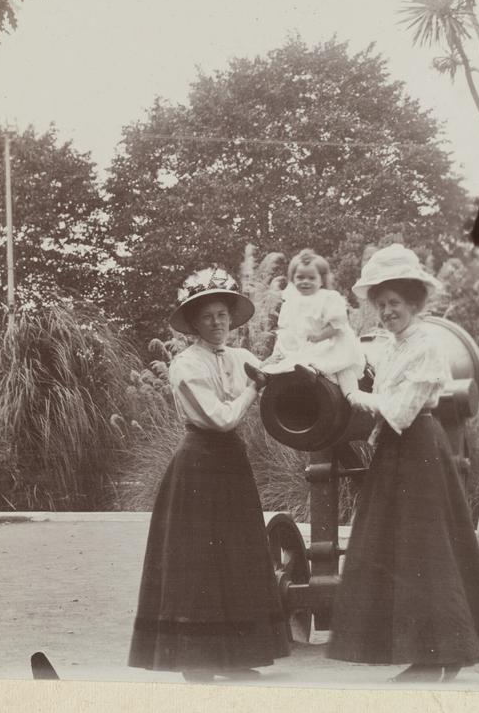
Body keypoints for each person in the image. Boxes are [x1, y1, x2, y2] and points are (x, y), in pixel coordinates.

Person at [326, 244, 479, 683]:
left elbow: (400, 410)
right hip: (395, 452)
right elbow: (373, 382)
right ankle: (424, 655)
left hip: (418, 450)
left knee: (425, 551)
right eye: (381, 305)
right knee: (400, 553)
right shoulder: (393, 346)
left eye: (395, 303)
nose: (387, 312)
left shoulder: (425, 347)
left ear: (413, 303)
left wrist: (354, 395)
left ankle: (446, 654)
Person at [128, 266, 291, 683]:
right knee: (199, 560)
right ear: (193, 323)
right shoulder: (186, 364)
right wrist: (255, 387)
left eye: (222, 315)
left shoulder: (241, 357)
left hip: (232, 464)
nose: (217, 323)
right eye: (207, 317)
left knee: (236, 556)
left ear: (231, 318)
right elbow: (222, 419)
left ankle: (235, 657)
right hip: (198, 465)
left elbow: (277, 370)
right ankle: (196, 660)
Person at [261, 248, 363, 397]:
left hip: (327, 341)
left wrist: (320, 336)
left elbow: (337, 325)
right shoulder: (292, 300)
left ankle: (313, 372)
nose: (305, 282)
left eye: (311, 278)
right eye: (300, 277)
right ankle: (265, 375)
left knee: (330, 361)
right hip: (302, 344)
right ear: (293, 279)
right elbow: (287, 326)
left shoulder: (328, 297)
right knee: (284, 357)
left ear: (321, 280)